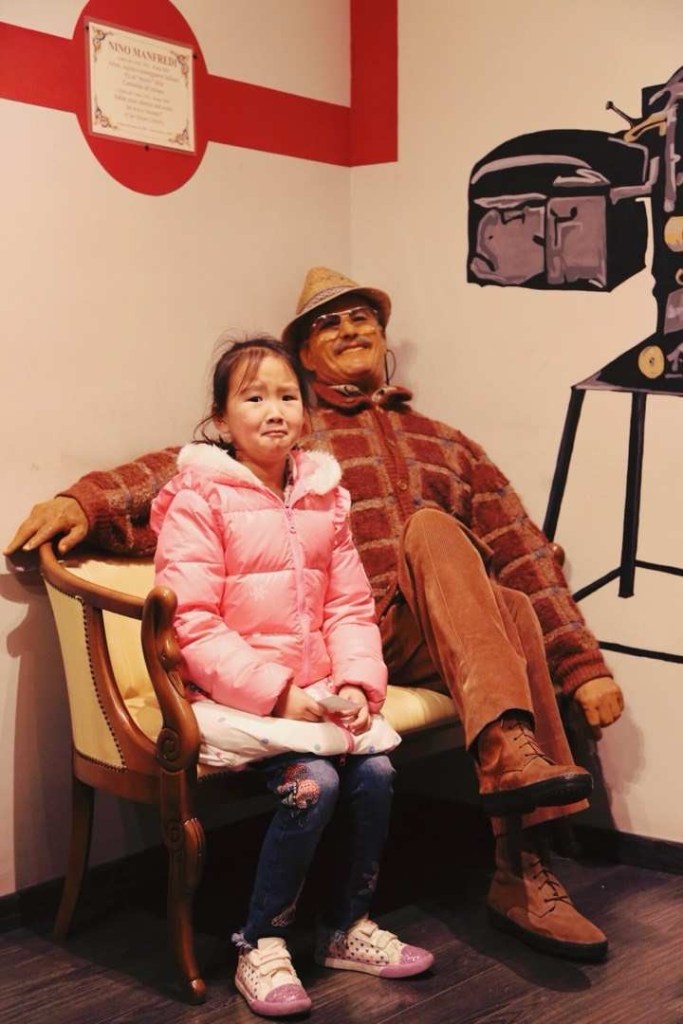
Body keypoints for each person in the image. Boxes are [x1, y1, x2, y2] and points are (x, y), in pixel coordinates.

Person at [6, 267, 624, 963]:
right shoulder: (296, 437)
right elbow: (172, 473)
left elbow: (521, 549)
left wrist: (582, 666)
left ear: (383, 338)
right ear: (303, 353)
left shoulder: (447, 445)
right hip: (361, 635)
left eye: (362, 318)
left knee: (506, 601)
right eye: (329, 323)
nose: (350, 329)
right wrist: (84, 501)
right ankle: (520, 833)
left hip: (449, 633)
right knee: (432, 533)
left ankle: (521, 872)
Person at [150, 335, 433, 1018]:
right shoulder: (199, 498)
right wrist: (277, 694)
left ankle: (344, 926)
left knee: (377, 773)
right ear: (221, 420)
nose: (273, 410)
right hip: (235, 702)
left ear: (305, 413)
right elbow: (193, 624)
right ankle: (261, 942)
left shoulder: (322, 497)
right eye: (253, 397)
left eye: (286, 396)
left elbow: (348, 606)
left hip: (315, 702)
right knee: (315, 785)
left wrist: (356, 685)